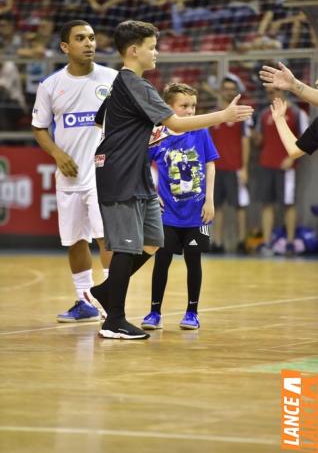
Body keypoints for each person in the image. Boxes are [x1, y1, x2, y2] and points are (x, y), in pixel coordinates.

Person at [89, 20, 254, 340]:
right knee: (125, 245)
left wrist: (137, 136)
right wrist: (223, 116)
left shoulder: (125, 85)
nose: (157, 53)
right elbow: (177, 124)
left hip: (136, 173)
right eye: (152, 47)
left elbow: (101, 119)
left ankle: (107, 291)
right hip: (120, 173)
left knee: (154, 238)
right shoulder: (135, 83)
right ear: (134, 51)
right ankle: (115, 320)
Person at [31, 20, 117, 322]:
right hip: (68, 176)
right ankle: (85, 301)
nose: (89, 43)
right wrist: (57, 153)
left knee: (106, 238)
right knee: (75, 240)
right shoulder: (51, 86)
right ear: (65, 47)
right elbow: (39, 128)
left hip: (102, 175)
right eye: (80, 38)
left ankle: (113, 305)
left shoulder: (113, 79)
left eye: (92, 38)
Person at [140, 82, 219, 331]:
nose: (190, 111)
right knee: (161, 261)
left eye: (193, 106)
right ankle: (154, 312)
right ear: (168, 107)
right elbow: (140, 164)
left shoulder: (200, 132)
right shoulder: (159, 134)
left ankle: (192, 312)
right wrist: (153, 193)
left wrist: (209, 199)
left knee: (193, 262)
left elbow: (210, 164)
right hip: (167, 215)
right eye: (184, 106)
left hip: (197, 214)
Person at [253, 87, 308, 256]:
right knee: (266, 204)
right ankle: (267, 242)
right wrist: (254, 136)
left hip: (286, 166)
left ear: (283, 92)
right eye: (269, 92)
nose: (272, 95)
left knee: (288, 204)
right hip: (266, 164)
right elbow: (258, 140)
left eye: (275, 91)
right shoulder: (263, 114)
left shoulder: (297, 113)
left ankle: (290, 242)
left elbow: (306, 139)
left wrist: (292, 158)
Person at [209, 74, 251, 254]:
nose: (228, 92)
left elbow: (245, 142)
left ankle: (242, 241)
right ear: (221, 91)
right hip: (216, 169)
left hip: (235, 169)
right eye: (225, 88)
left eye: (231, 89)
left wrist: (244, 167)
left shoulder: (241, 115)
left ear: (236, 91)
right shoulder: (213, 115)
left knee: (239, 206)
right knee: (216, 207)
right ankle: (216, 242)